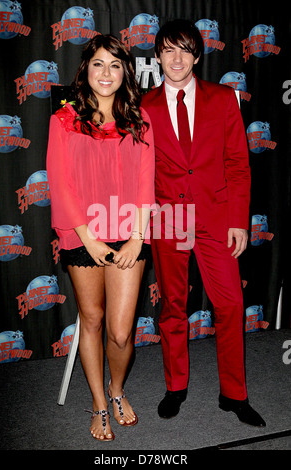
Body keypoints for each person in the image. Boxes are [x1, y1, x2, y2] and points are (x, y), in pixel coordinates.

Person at [142, 19, 266, 427]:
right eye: (168, 50)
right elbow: (139, 169)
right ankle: (175, 386)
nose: (177, 58)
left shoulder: (223, 98)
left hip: (216, 220)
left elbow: (237, 164)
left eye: (185, 50)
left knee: (230, 305)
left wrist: (239, 221)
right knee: (173, 308)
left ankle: (234, 394)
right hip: (168, 220)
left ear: (197, 55)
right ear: (158, 55)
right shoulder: (146, 105)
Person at [46, 34, 155, 441]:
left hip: (130, 233)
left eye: (114, 64)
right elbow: (59, 182)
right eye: (98, 64)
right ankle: (97, 402)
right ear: (85, 70)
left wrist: (136, 237)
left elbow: (146, 184)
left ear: (125, 70)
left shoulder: (141, 120)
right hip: (82, 236)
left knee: (121, 331)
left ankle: (116, 391)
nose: (106, 73)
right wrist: (87, 238)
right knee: (91, 320)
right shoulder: (64, 119)